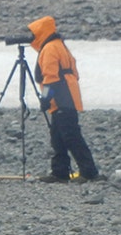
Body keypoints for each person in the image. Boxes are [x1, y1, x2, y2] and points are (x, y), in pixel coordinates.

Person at [27, 16, 102, 183]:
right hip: (67, 95)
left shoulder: (49, 48)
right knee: (58, 136)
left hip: (62, 97)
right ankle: (60, 172)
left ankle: (89, 172)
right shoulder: (59, 45)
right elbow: (73, 73)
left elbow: (50, 77)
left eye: (33, 33)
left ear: (40, 33)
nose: (31, 37)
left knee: (71, 136)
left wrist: (46, 98)